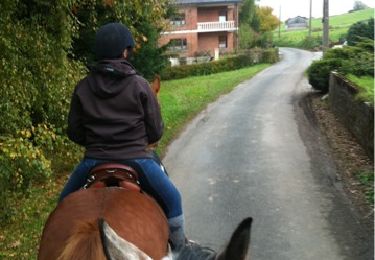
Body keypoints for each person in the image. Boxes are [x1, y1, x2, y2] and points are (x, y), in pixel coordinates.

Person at [59, 22, 186, 251]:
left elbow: (74, 131)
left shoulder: (83, 87)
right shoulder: (140, 85)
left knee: (61, 208)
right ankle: (180, 250)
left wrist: (95, 142)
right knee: (173, 199)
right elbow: (155, 131)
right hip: (137, 158)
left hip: (93, 161)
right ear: (125, 51)